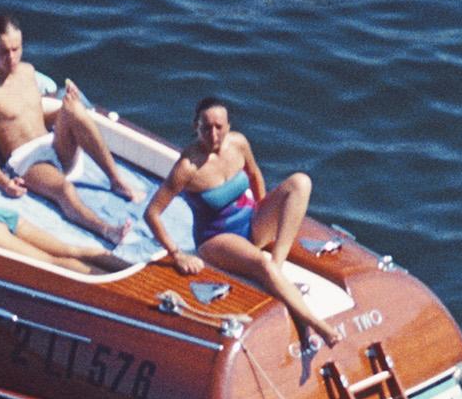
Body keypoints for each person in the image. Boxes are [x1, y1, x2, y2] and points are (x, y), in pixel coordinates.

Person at [139, 96, 350, 340]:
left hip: (251, 222)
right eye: (206, 128)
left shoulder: (238, 143)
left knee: (300, 182)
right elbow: (152, 213)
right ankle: (316, 324)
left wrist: (263, 209)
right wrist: (177, 254)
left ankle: (277, 269)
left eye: (219, 127)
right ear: (195, 127)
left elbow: (254, 174)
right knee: (262, 264)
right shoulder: (188, 167)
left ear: (228, 126)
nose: (213, 134)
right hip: (217, 239)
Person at [0, 18, 139, 240]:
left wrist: (66, 108)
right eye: (3, 51)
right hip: (27, 163)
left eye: (15, 49)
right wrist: (3, 182)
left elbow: (33, 115)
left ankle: (116, 180)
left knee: (75, 108)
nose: (11, 57)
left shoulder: (28, 72)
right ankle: (107, 230)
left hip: (51, 145)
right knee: (65, 190)